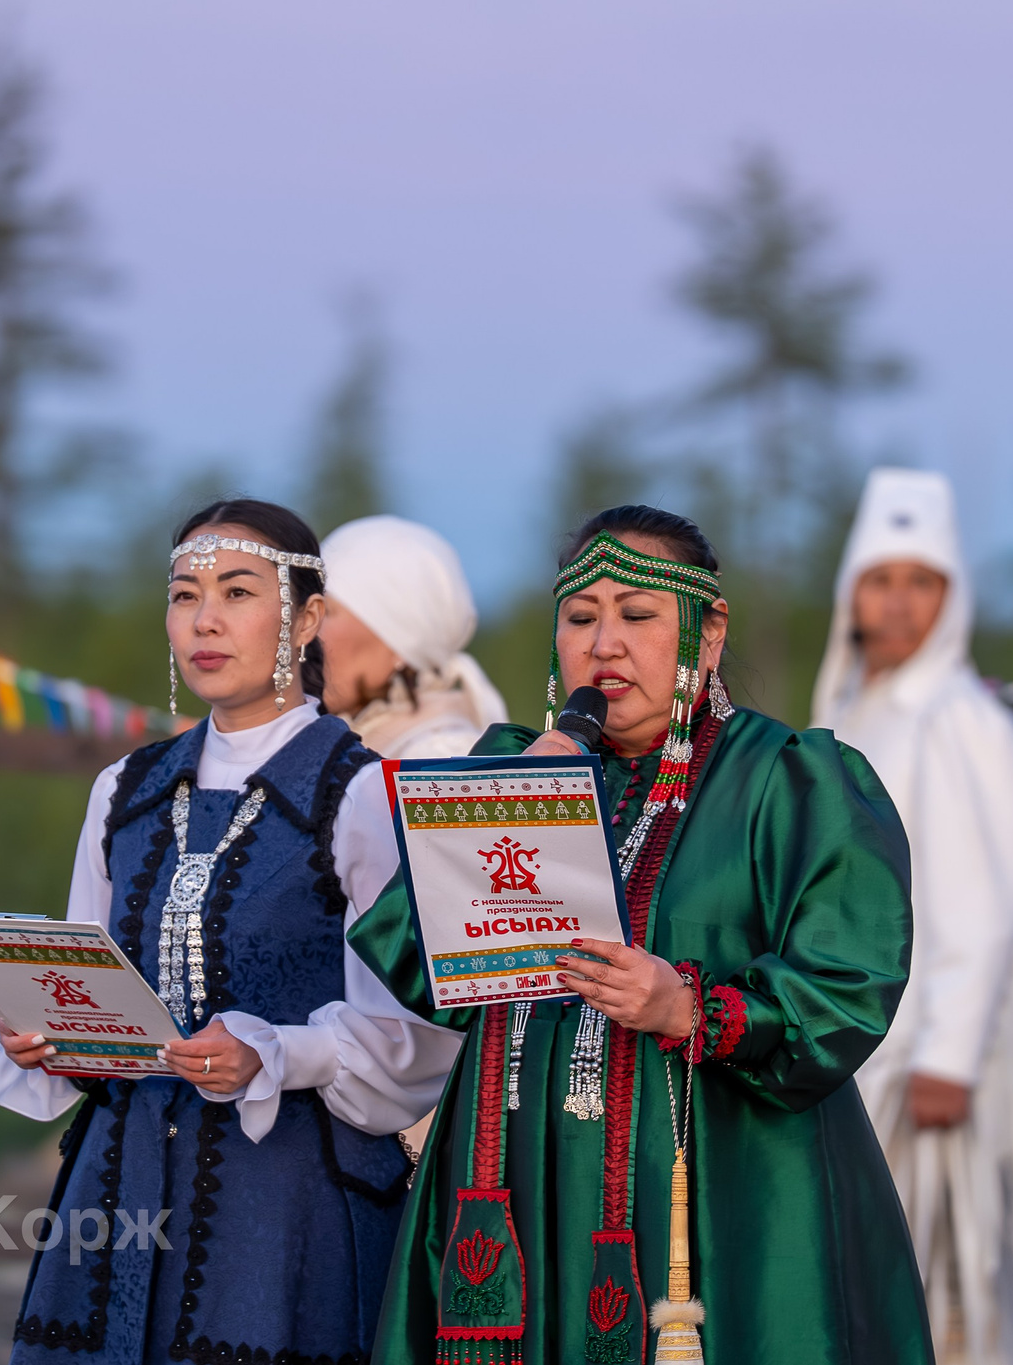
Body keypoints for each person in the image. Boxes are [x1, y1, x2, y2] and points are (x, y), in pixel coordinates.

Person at [350, 504, 931, 1365]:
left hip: (720, 1189)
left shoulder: (787, 781)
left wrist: (692, 1007)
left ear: (706, 631)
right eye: (581, 619)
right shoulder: (512, 762)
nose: (604, 644)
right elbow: (414, 959)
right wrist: (509, 801)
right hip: (520, 1190)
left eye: (638, 615)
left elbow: (848, 978)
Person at [0, 497, 464, 1363]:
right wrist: (44, 1032)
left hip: (289, 1202)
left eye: (237, 592)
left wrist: (275, 1051)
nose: (204, 619)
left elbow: (416, 1031)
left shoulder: (366, 793)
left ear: (307, 618)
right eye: (184, 592)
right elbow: (91, 964)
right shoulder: (127, 788)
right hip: (119, 1181)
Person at [811, 468, 1013, 1365]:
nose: (900, 603)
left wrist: (950, 1056)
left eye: (923, 582)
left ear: (952, 597)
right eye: (883, 579)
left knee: (946, 1298)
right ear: (854, 590)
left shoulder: (965, 721)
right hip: (857, 1050)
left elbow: (983, 904)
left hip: (924, 1064)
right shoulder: (847, 710)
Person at [318, 514, 509, 758]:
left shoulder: (437, 757)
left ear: (399, 642)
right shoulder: (364, 740)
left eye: (327, 612)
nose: (304, 632)